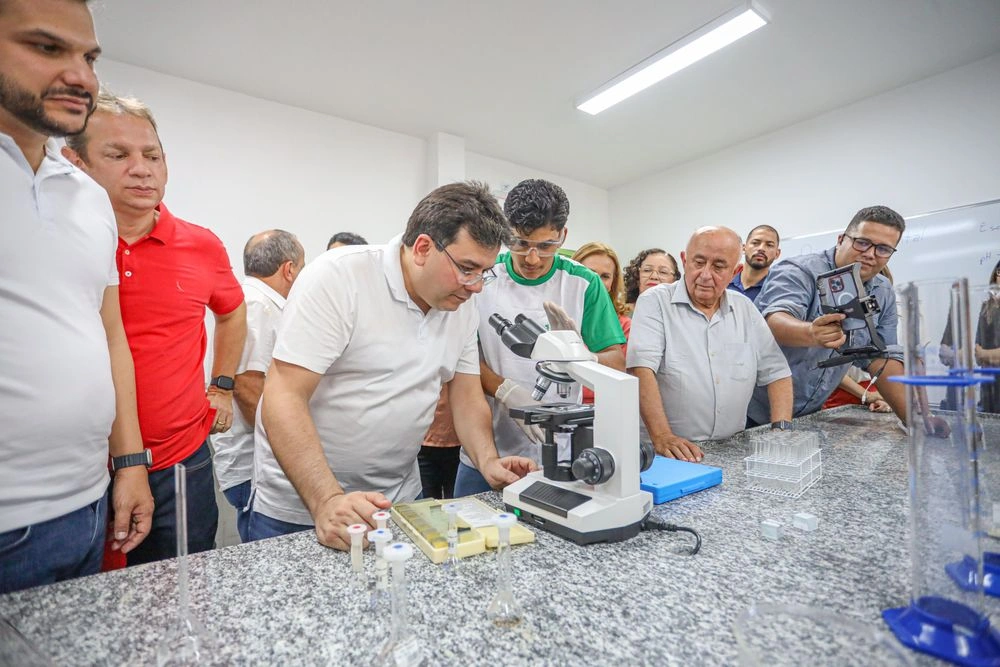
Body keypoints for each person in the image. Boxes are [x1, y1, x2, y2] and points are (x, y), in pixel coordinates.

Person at [248, 181, 536, 549]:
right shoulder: (339, 277)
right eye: (467, 268)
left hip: (397, 500)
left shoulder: (460, 306)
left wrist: (487, 459)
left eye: (484, 272)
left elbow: (465, 394)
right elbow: (283, 394)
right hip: (302, 506)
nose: (476, 286)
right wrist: (327, 500)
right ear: (422, 248)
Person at [0, 0, 152, 593]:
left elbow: (107, 334)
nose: (83, 76)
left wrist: (130, 463)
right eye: (46, 48)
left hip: (88, 504)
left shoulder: (88, 198)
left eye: (88, 56)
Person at [64, 92, 247, 564]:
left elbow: (231, 311)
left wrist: (222, 386)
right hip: (82, 471)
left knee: (183, 591)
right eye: (118, 155)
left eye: (152, 156)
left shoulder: (201, 245)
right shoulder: (58, 244)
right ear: (76, 162)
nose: (142, 169)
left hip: (180, 461)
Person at [455, 179, 626, 495]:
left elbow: (616, 362)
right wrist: (506, 391)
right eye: (520, 243)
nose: (532, 258)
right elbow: (460, 358)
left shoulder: (583, 283)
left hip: (561, 456)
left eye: (546, 246)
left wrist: (583, 358)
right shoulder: (483, 277)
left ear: (563, 236)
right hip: (486, 453)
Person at [747, 205, 948, 435]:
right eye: (862, 242)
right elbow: (774, 320)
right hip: (752, 412)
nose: (870, 254)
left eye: (883, 249)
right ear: (842, 239)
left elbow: (882, 358)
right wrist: (811, 333)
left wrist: (917, 421)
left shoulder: (882, 292)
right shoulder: (799, 271)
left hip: (809, 415)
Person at [627, 227, 793, 462]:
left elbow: (777, 373)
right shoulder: (655, 302)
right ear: (685, 260)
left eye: (718, 266)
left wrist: (781, 432)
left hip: (731, 450)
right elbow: (640, 369)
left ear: (734, 270)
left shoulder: (744, 308)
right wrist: (663, 436)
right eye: (699, 262)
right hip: (667, 453)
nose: (705, 274)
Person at [212, 230, 304, 542]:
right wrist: (288, 445)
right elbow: (247, 387)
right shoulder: (257, 305)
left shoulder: (256, 301)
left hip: (260, 460)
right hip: (255, 463)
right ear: (289, 269)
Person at [572, 241, 632, 404]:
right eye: (589, 273)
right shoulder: (560, 317)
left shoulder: (624, 326)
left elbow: (619, 374)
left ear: (613, 283)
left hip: (603, 407)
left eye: (605, 276)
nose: (595, 281)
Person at [728, 224, 781, 303]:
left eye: (769, 245)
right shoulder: (724, 283)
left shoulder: (777, 291)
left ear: (777, 254)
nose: (761, 248)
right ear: (743, 248)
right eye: (755, 243)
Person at [974, 259, 1000, 412]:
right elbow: (977, 355)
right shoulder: (986, 308)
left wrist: (985, 354)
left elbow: (981, 353)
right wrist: (988, 355)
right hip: (988, 391)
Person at [624, 248, 680, 315]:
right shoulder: (618, 314)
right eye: (647, 270)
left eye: (663, 272)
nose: (654, 276)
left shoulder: (680, 316)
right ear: (636, 276)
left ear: (674, 280)